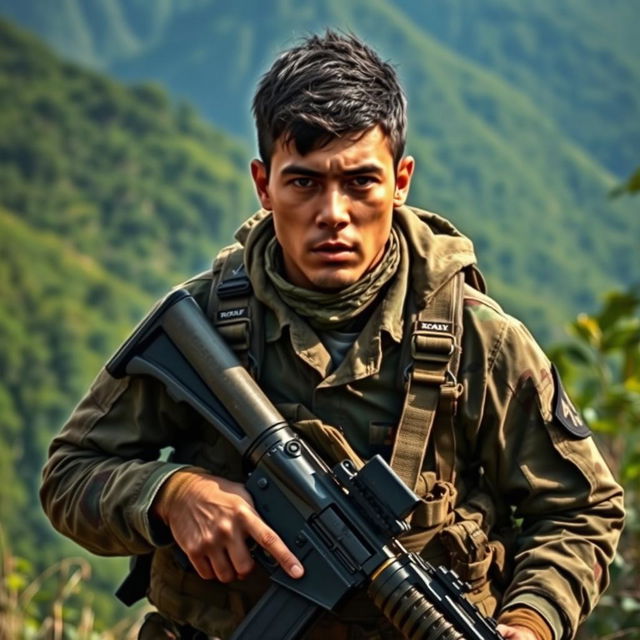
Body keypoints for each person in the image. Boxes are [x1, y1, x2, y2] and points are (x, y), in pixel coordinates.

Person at [40, 31, 624, 640]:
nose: (334, 213)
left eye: (360, 182)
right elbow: (69, 474)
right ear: (263, 185)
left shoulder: (478, 339)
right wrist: (173, 493)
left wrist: (530, 622)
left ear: (401, 180)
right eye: (304, 182)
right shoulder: (201, 326)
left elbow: (582, 509)